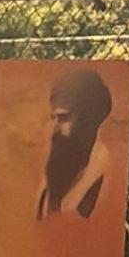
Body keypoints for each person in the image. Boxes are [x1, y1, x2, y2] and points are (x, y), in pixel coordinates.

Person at [36, 69, 113, 220]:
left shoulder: (108, 172)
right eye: (54, 119)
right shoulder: (53, 173)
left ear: (90, 117)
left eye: (64, 118)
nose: (55, 129)